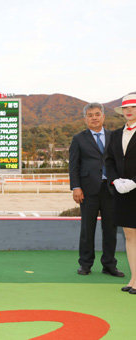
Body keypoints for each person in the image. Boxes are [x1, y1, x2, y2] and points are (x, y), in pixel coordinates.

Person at [69, 103, 124, 277]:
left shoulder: (114, 136)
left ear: (103, 116)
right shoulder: (78, 139)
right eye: (90, 115)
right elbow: (74, 165)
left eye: (97, 114)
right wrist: (76, 187)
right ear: (85, 118)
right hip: (87, 190)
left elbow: (119, 162)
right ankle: (85, 264)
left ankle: (109, 264)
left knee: (110, 229)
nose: (94, 117)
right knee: (87, 229)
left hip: (111, 190)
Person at [106, 93, 136, 294]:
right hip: (123, 191)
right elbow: (108, 160)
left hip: (135, 187)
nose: (129, 111)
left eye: (133, 107)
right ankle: (134, 279)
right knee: (129, 235)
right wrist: (115, 180)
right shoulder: (116, 134)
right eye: (125, 108)